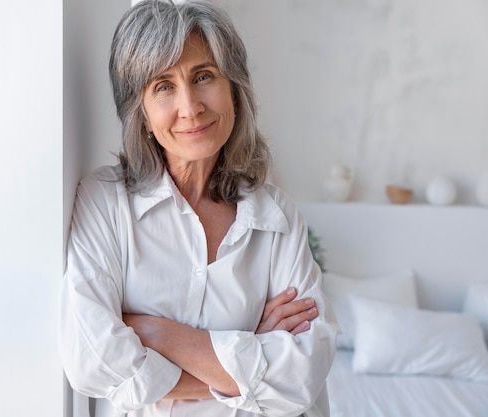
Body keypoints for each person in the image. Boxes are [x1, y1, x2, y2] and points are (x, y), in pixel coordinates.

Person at [60, 1, 338, 416]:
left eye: (203, 76)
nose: (190, 107)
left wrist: (156, 332)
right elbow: (92, 361)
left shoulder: (277, 216)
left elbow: (302, 376)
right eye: (164, 86)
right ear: (142, 117)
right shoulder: (105, 202)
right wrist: (247, 357)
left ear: (234, 89)